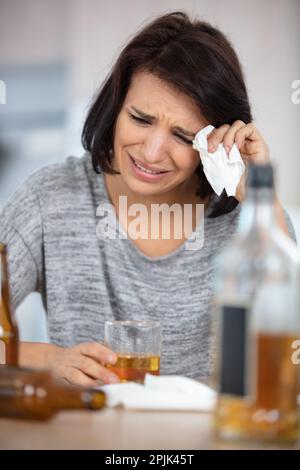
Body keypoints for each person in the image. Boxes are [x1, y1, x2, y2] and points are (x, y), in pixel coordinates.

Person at [0, 11, 296, 386]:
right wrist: (44, 358)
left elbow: (292, 350)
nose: (152, 152)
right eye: (140, 119)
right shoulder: (51, 198)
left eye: (184, 137)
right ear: (115, 107)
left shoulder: (248, 218)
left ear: (215, 141)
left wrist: (259, 193)